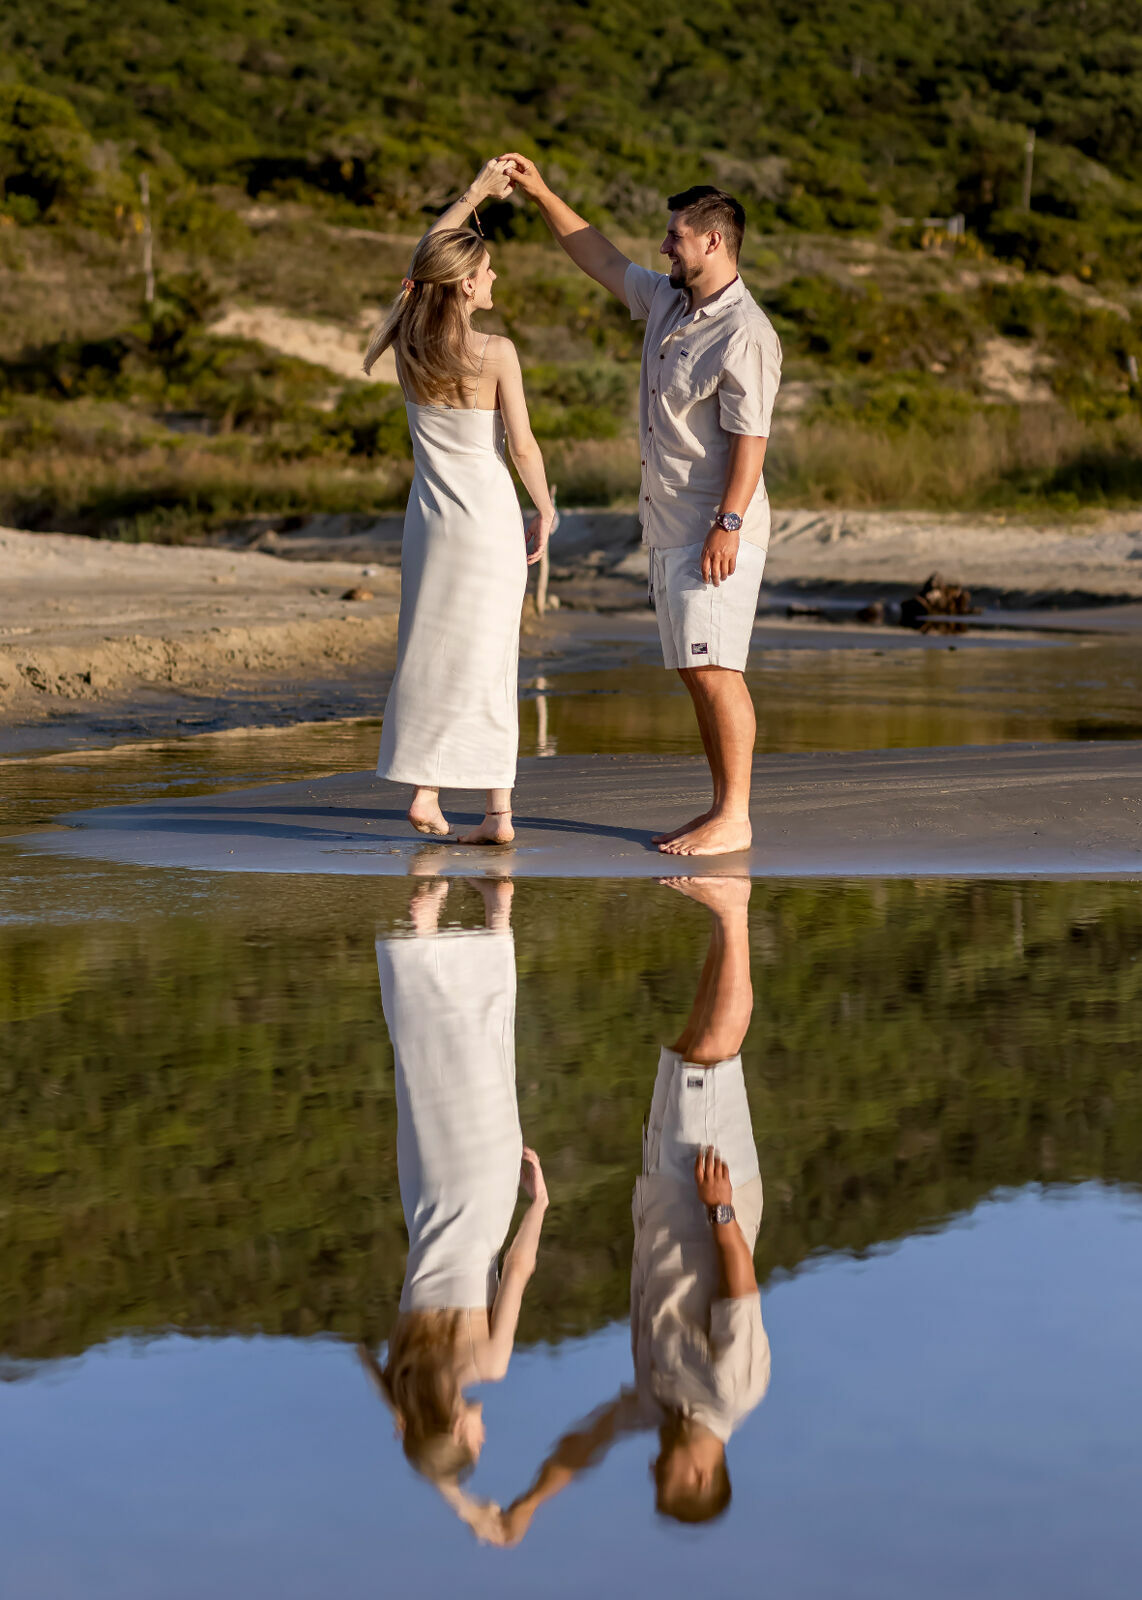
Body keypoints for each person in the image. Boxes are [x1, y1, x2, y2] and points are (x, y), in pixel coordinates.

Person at [502, 158, 781, 857]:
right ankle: (723, 808)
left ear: (714, 241)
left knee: (718, 670)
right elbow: (596, 255)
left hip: (715, 524)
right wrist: (539, 193)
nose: (664, 247)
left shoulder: (745, 331)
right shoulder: (665, 300)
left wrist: (729, 524)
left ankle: (736, 815)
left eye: (675, 236)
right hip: (670, 523)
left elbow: (752, 442)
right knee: (698, 667)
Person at [498, 876, 769, 1537]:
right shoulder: (729, 1396)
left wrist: (528, 1505)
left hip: (665, 1193)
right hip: (710, 1197)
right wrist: (721, 1209)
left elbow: (584, 1444)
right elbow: (741, 1292)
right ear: (702, 1476)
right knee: (714, 1057)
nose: (652, 1471)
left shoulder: (659, 1406)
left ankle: (722, 912)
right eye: (666, 1481)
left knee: (688, 1051)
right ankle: (734, 912)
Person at [365, 159, 557, 845]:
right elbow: (524, 449)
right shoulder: (495, 352)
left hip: (432, 522)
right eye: (488, 272)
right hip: (489, 521)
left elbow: (424, 263)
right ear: (469, 285)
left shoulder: (407, 342)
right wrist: (547, 509)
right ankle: (496, 810)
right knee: (491, 653)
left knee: (433, 647)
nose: (496, 279)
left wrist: (474, 194)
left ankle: (429, 791)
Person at [359, 876, 549, 1543]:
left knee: (488, 1063)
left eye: (478, 1438)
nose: (485, 1431)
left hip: (486, 1198)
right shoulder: (402, 1359)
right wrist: (456, 1498)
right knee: (427, 1076)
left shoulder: (484, 1366)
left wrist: (540, 1207)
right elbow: (422, 1442)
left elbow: (520, 1270)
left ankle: (496, 915)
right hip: (427, 1193)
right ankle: (424, 925)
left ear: (462, 1427)